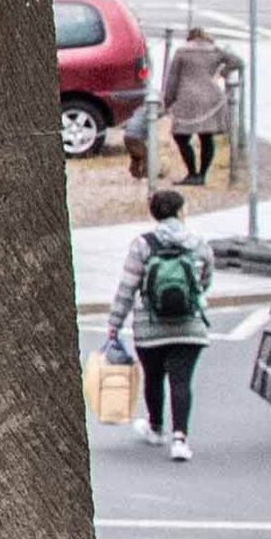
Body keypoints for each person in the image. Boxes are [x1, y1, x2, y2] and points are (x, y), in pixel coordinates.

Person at [106, 187, 219, 460]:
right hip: (189, 326)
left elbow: (127, 286)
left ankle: (155, 427)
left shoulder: (143, 244)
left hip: (150, 326)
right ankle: (180, 438)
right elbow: (205, 280)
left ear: (153, 213)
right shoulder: (198, 242)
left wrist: (115, 323)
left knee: (154, 376)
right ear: (181, 211)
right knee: (181, 381)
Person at [155, 18, 241, 187]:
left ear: (190, 38)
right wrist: (223, 73)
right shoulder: (215, 50)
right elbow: (237, 61)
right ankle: (202, 174)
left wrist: (167, 102)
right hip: (211, 97)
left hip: (186, 98)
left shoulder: (182, 52)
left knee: (181, 136)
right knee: (206, 137)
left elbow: (172, 80)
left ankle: (192, 173)